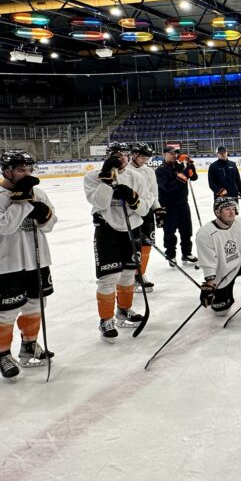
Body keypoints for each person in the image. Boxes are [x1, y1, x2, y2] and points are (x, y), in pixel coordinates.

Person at [0, 150, 56, 379]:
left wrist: (43, 214)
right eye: (21, 169)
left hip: (37, 260)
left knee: (36, 305)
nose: (27, 173)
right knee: (6, 312)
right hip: (5, 263)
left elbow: (50, 226)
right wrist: (22, 201)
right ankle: (3, 355)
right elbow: (5, 227)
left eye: (29, 169)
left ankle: (29, 345)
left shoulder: (38, 193)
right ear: (7, 171)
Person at [85, 142, 155, 339]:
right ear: (107, 157)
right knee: (108, 278)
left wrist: (134, 199)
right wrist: (107, 181)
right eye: (115, 155)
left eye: (123, 154)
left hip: (132, 230)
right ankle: (106, 320)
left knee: (128, 275)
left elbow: (144, 209)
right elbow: (100, 203)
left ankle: (124, 310)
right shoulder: (93, 177)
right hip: (107, 231)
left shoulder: (136, 177)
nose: (120, 158)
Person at [156, 145, 198, 266]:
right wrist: (183, 174)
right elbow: (168, 188)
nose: (174, 155)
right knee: (169, 232)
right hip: (168, 205)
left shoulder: (180, 166)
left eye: (176, 153)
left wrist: (190, 165)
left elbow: (194, 177)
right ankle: (171, 255)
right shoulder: (160, 170)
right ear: (164, 154)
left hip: (183, 203)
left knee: (186, 230)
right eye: (171, 153)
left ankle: (186, 253)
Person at [127, 142, 159, 292]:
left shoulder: (149, 171)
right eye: (143, 157)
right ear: (134, 155)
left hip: (147, 211)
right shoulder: (125, 170)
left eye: (147, 158)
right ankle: (129, 276)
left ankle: (140, 274)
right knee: (133, 245)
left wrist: (158, 209)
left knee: (147, 244)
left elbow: (153, 193)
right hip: (131, 213)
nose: (145, 160)